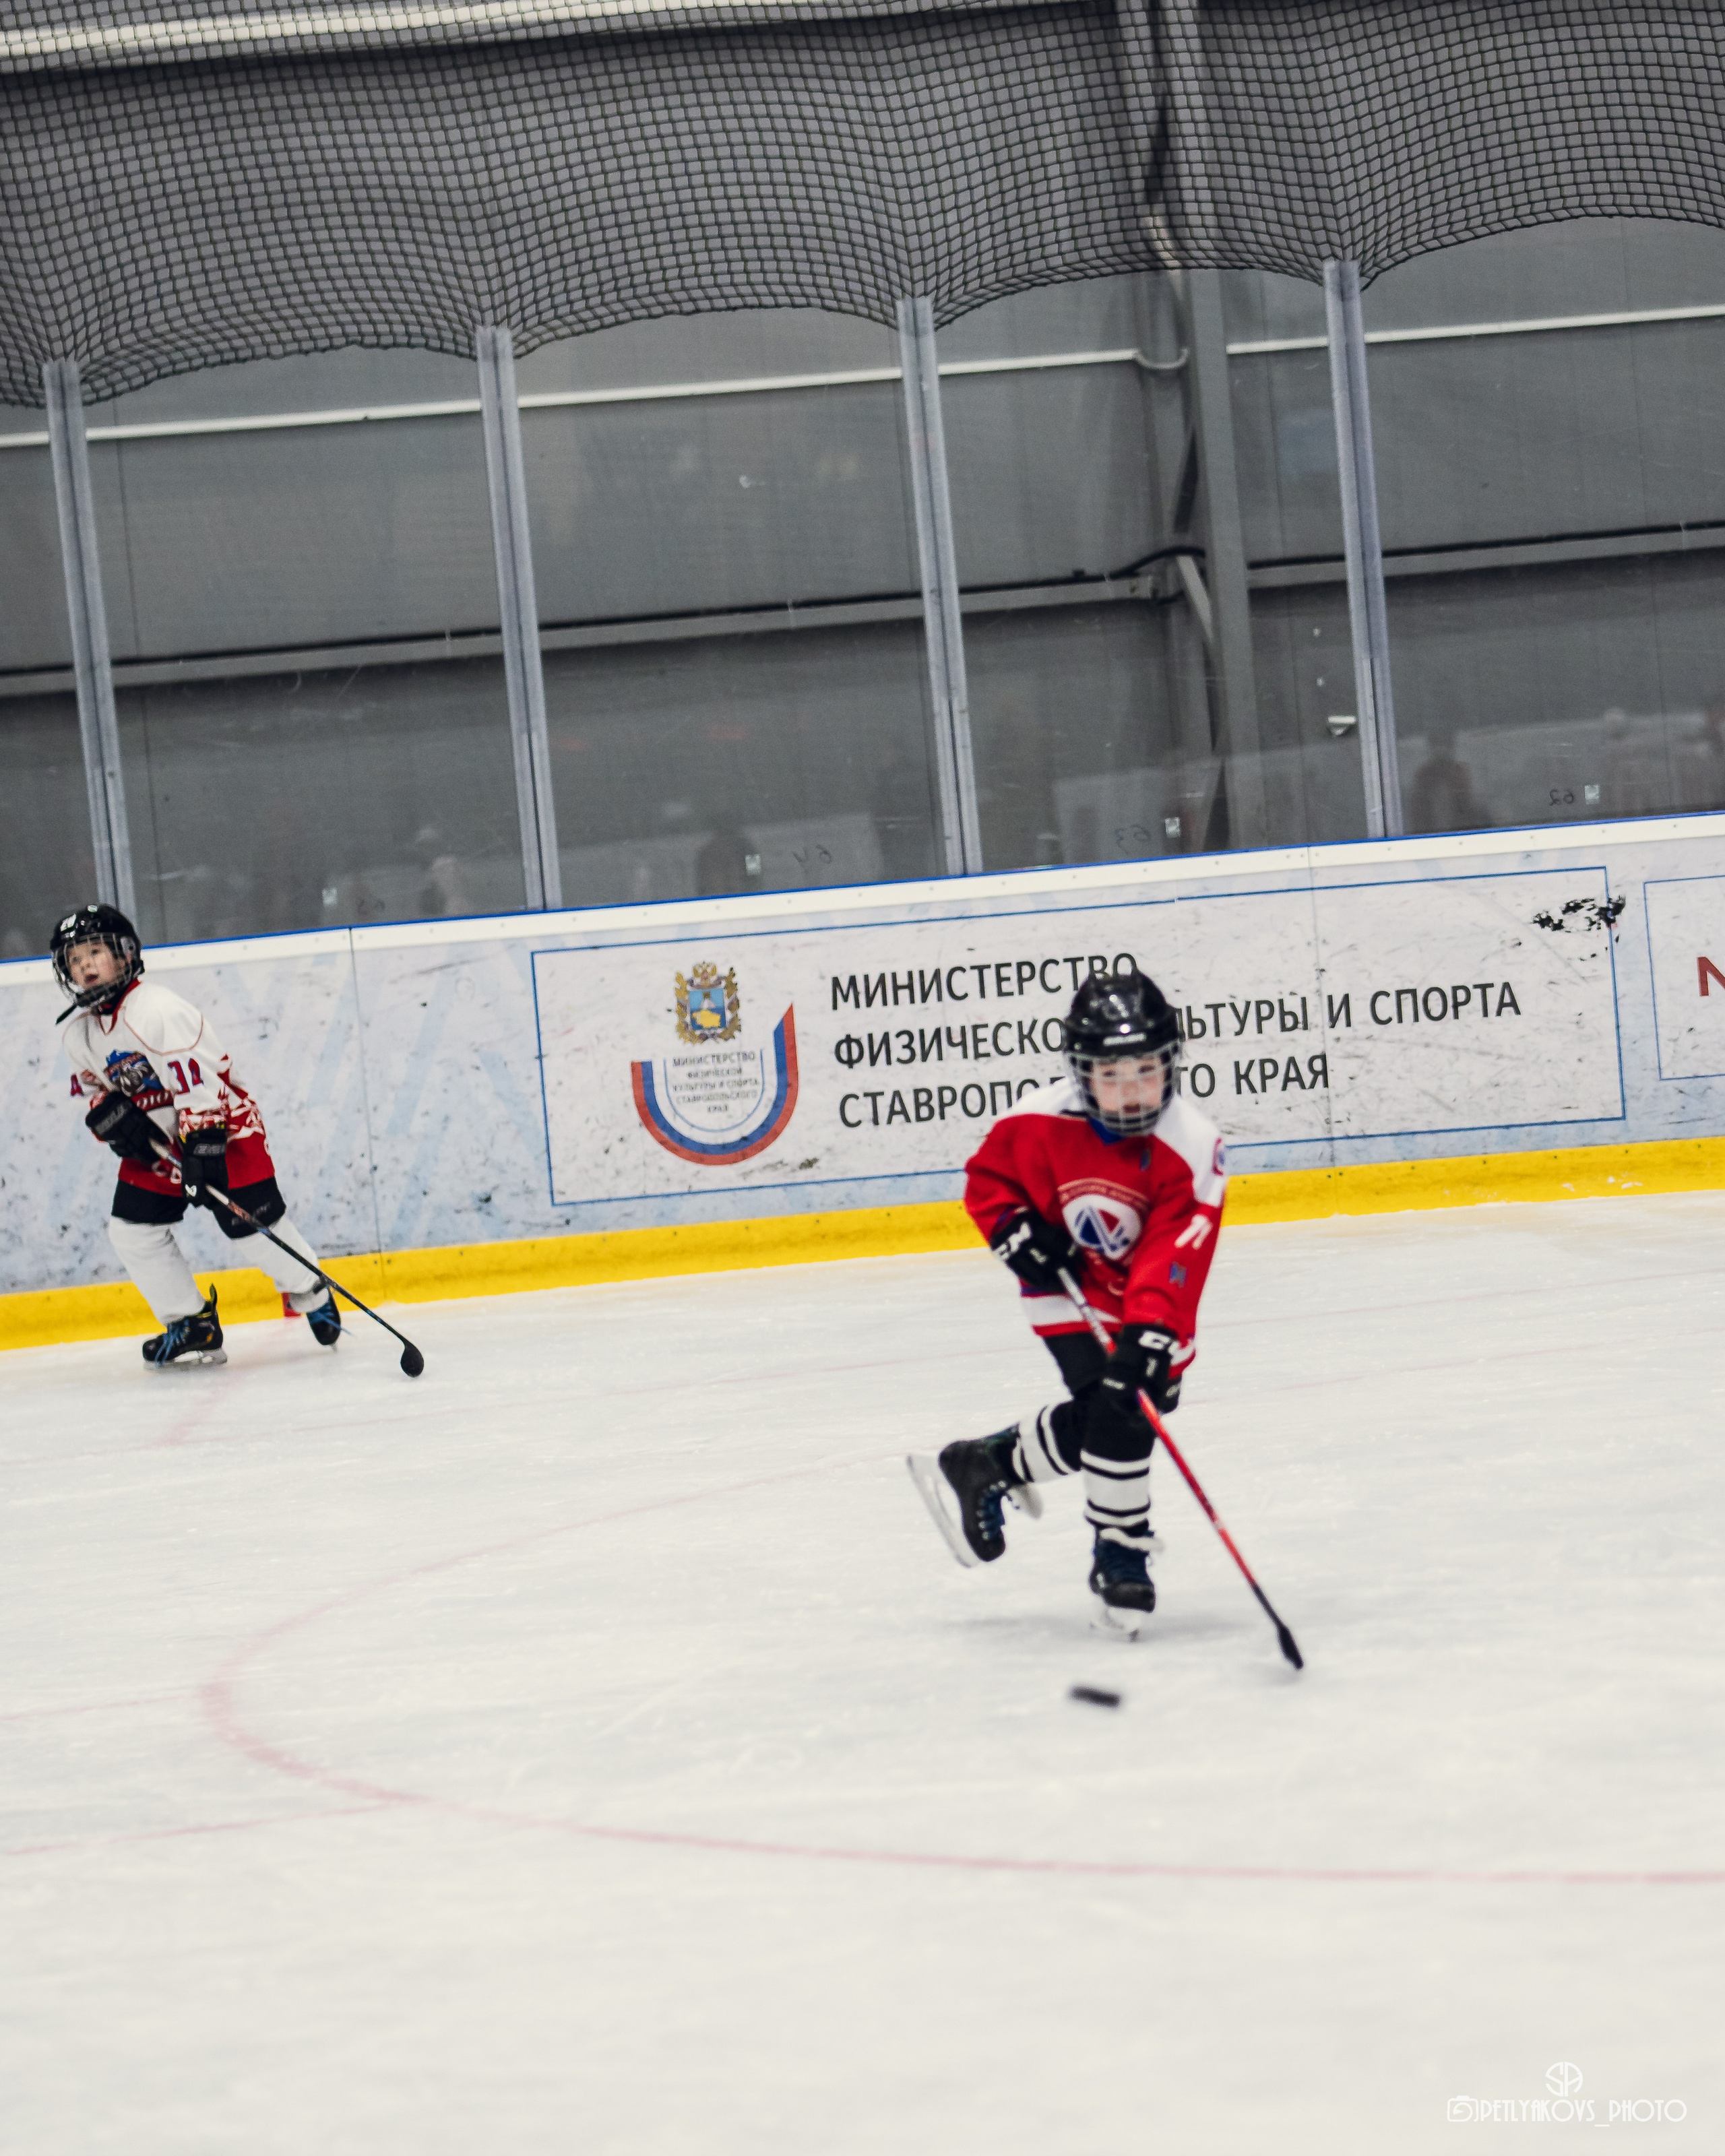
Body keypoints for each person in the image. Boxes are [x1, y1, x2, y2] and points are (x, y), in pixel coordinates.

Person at [910, 972, 1226, 1635]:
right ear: (1083, 1074)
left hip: (1145, 1292)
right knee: (1120, 1410)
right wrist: (1012, 1229)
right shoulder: (1032, 1121)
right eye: (1113, 1074)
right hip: (1065, 1287)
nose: (1133, 1088)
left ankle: (986, 1461)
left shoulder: (1192, 1146)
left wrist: (1147, 1329)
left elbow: (1175, 1249)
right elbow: (987, 1182)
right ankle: (1121, 1550)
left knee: (1137, 1401)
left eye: (1147, 1069)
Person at [51, 903, 341, 1369]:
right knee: (132, 1231)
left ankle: (309, 1288)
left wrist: (203, 1150)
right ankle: (191, 1324)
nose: (84, 965)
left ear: (125, 956)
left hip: (224, 1132)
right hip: (159, 1145)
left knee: (246, 1226)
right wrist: (110, 1120)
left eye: (95, 952)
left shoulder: (160, 1010)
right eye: (74, 958)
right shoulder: (78, 1036)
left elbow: (199, 1087)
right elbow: (96, 1094)